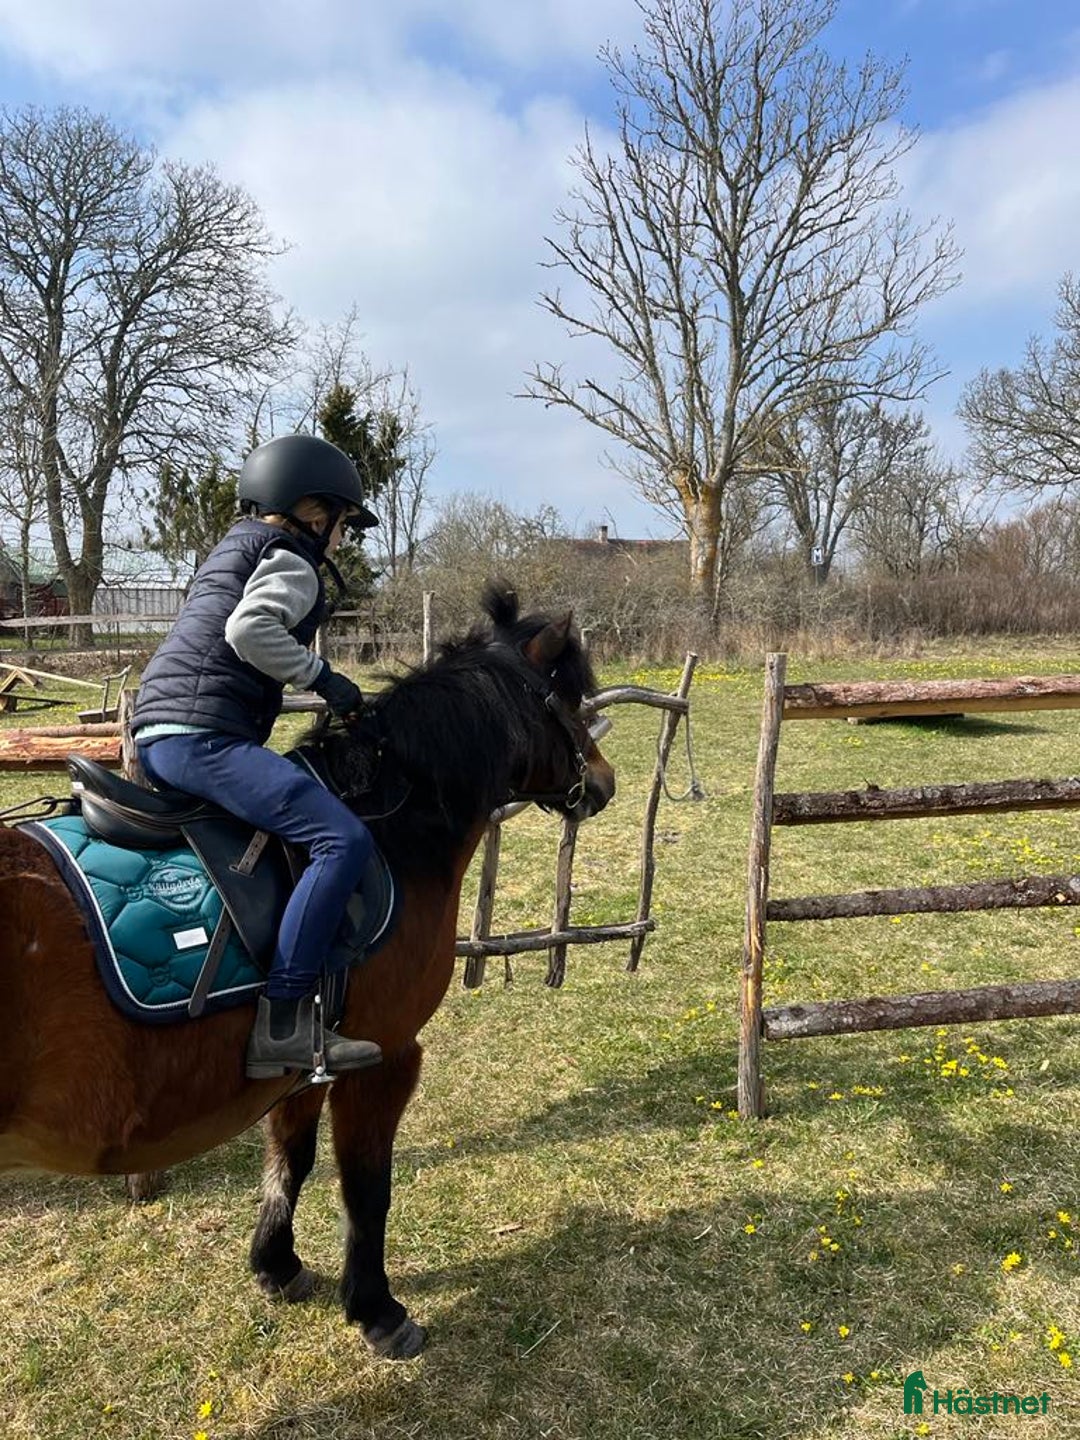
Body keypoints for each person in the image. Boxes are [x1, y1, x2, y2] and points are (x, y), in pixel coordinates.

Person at [132, 433, 383, 1080]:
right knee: (341, 840)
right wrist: (323, 677)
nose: (343, 540)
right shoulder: (290, 560)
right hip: (202, 738)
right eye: (343, 524)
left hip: (157, 731)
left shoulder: (229, 551)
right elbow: (248, 630)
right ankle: (283, 1023)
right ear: (314, 513)